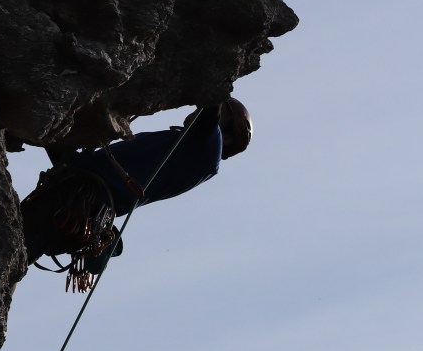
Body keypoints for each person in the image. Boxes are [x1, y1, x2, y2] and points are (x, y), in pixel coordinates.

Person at [21, 100, 252, 287]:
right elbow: (81, 163)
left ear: (228, 134)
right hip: (80, 195)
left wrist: (220, 85)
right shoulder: (182, 146)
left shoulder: (209, 150)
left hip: (84, 200)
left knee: (16, 243)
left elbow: (210, 109)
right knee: (17, 240)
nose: (195, 108)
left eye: (223, 113)